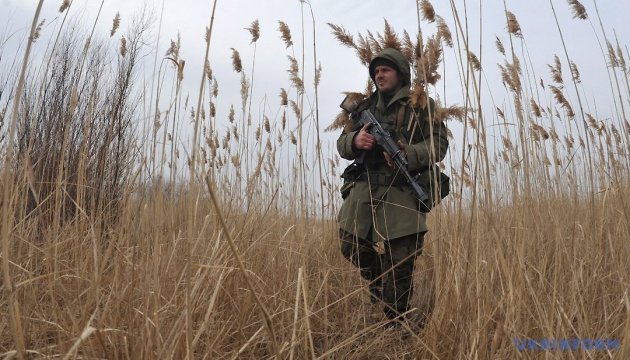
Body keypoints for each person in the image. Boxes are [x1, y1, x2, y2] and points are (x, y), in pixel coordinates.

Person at [336, 48, 449, 326]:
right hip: (365, 187)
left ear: (400, 73)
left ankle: (394, 321)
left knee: (402, 260)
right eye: (376, 71)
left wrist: (407, 153)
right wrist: (355, 141)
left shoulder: (421, 105)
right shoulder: (365, 107)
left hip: (402, 189)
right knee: (351, 244)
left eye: (385, 70)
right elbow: (342, 143)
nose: (379, 74)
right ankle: (380, 285)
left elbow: (439, 145)